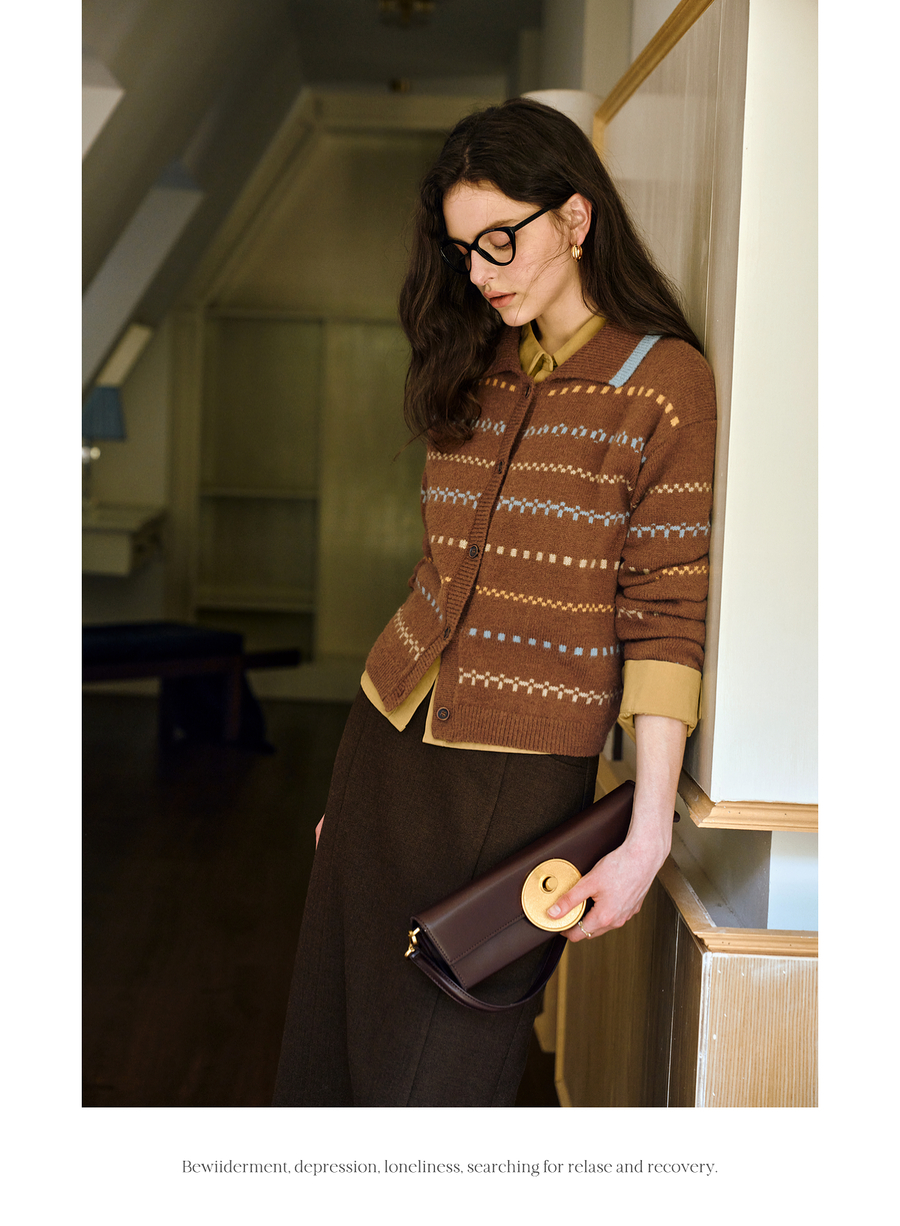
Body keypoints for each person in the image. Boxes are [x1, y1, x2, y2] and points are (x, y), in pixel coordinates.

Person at [273, 97, 716, 1107]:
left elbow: (664, 615)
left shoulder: (665, 385)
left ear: (575, 217)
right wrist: (351, 797)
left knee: (435, 1079)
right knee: (330, 1054)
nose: (480, 272)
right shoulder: (478, 365)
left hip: (518, 782)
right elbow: (439, 571)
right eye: (463, 248)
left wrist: (647, 834)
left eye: (500, 240)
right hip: (386, 742)